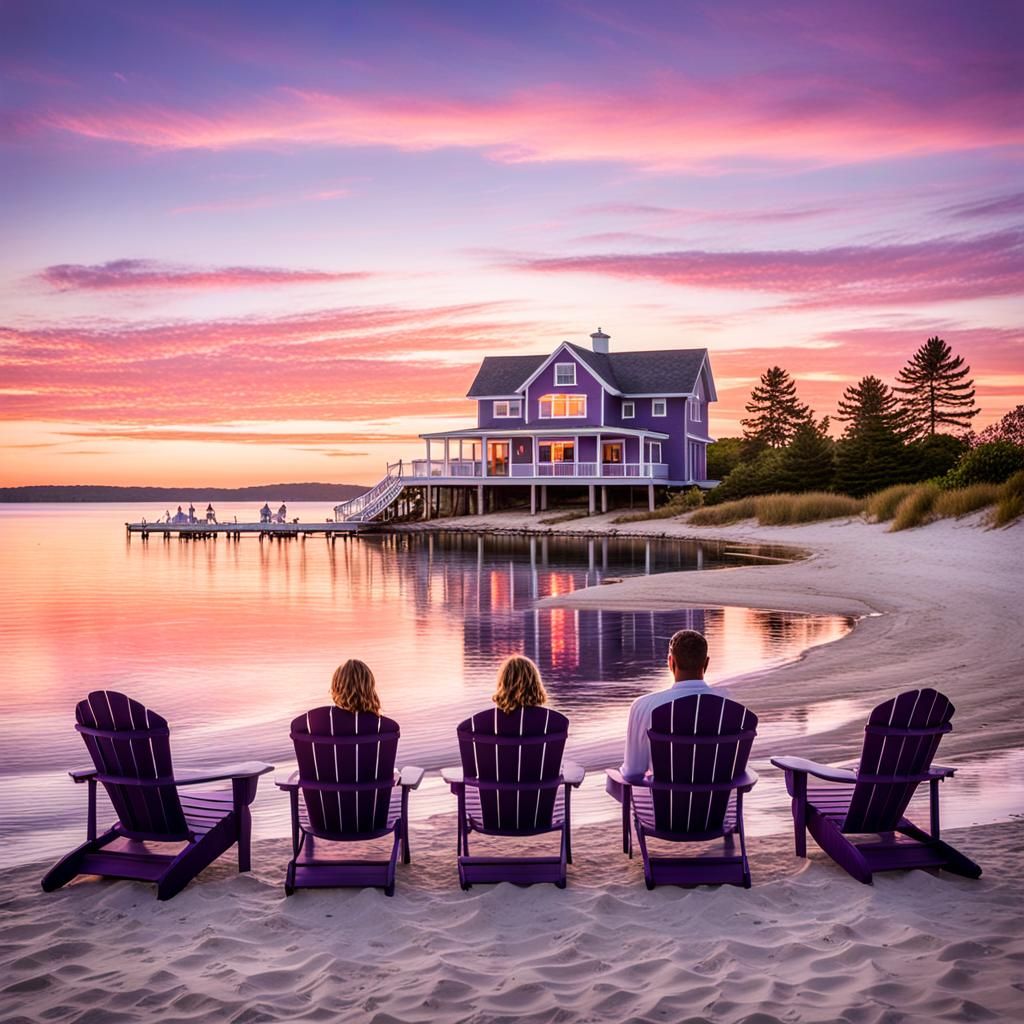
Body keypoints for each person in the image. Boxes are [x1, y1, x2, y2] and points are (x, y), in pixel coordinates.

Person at [618, 628, 724, 781]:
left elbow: (632, 773)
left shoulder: (643, 706)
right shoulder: (729, 707)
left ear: (670, 662)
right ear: (706, 663)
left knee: (614, 784)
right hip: (717, 803)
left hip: (663, 803)